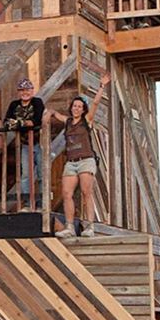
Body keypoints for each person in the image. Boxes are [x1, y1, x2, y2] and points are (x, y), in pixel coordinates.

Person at [43, 74, 111, 237]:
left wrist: (102, 86)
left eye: (80, 106)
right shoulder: (67, 122)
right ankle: (69, 227)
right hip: (71, 162)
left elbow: (95, 103)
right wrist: (50, 112)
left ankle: (89, 227)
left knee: (87, 192)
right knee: (67, 194)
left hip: (86, 160)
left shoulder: (86, 120)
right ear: (71, 108)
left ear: (83, 109)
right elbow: (55, 114)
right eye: (75, 106)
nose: (76, 108)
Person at [3, 78, 44, 202]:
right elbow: (6, 123)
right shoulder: (14, 105)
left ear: (32, 91)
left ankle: (42, 203)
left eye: (27, 90)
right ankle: (27, 203)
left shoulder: (37, 102)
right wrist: (25, 123)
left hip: (40, 143)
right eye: (21, 90)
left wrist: (18, 123)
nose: (24, 92)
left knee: (42, 174)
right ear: (18, 92)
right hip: (25, 144)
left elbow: (36, 120)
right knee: (26, 175)